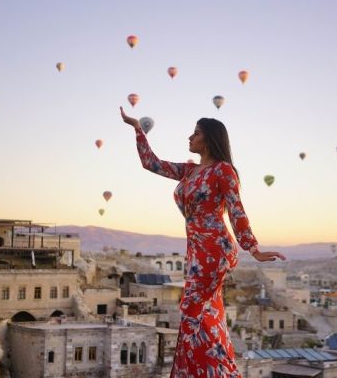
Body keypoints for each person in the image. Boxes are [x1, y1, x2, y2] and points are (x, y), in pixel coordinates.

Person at [120, 107, 285, 378]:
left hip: (215, 249)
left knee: (192, 311)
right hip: (197, 251)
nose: (189, 137)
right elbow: (151, 163)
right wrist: (138, 129)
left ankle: (198, 373)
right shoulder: (190, 171)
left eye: (195, 133)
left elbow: (236, 209)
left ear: (208, 139)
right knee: (205, 315)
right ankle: (215, 372)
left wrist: (253, 249)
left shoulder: (223, 171)